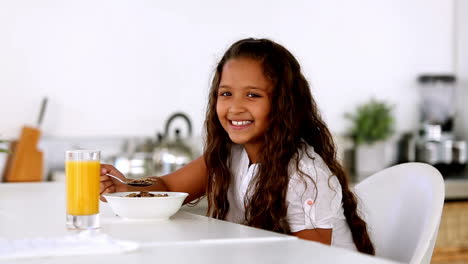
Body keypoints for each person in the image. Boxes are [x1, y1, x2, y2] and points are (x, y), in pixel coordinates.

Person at [100, 38, 375, 254]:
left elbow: (309, 258)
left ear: (283, 104)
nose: (235, 107)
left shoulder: (304, 174)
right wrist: (125, 189)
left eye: (253, 95)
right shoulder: (228, 156)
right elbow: (169, 187)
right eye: (226, 93)